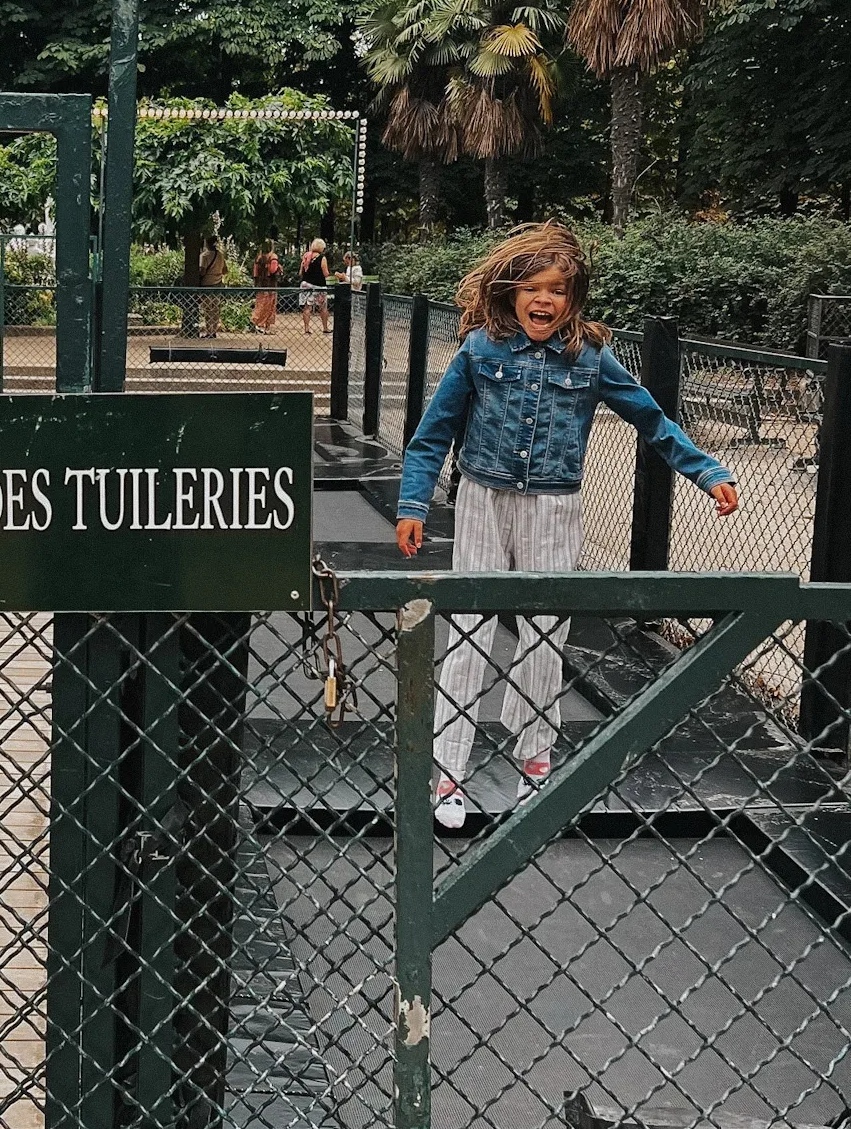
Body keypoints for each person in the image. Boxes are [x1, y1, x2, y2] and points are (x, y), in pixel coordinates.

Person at [395, 221, 740, 833]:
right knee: (469, 625)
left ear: (573, 298)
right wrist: (413, 505)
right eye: (532, 288)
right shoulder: (481, 350)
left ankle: (534, 757)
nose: (544, 300)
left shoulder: (589, 357)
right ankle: (447, 769)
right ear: (510, 293)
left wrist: (705, 471)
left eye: (557, 289)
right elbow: (433, 433)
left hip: (553, 505)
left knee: (545, 629)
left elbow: (651, 419)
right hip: (482, 497)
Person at [299, 238, 330, 335]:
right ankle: (325, 328)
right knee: (323, 307)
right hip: (319, 286)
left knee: (307, 307)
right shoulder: (322, 258)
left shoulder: (306, 257)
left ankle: (306, 328)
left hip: (306, 284)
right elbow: (325, 273)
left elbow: (300, 272)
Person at [200, 234, 228, 336]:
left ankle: (209, 330)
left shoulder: (204, 256)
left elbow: (202, 271)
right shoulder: (220, 255)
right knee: (216, 308)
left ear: (206, 243)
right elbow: (225, 270)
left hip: (207, 284)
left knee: (207, 309)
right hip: (218, 283)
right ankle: (214, 331)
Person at [252, 243, 281, 332]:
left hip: (260, 285)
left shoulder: (259, 258)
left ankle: (257, 324)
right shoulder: (273, 257)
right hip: (271, 285)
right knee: (270, 306)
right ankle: (265, 326)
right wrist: (279, 268)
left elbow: (255, 272)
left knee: (260, 304)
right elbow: (273, 270)